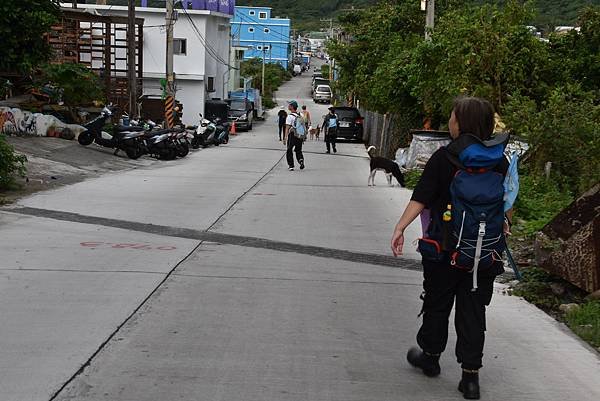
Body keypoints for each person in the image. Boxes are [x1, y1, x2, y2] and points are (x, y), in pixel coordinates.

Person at [390, 97, 512, 400]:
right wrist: (503, 228)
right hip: (482, 253)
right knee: (473, 311)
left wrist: (400, 227)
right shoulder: (500, 160)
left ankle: (430, 358)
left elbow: (421, 197)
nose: (449, 121)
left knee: (437, 303)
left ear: (461, 122)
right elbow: (506, 204)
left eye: (452, 116)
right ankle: (470, 378)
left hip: (443, 250)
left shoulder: (444, 158)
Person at [284, 100, 305, 171]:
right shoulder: (301, 115)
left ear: (292, 107)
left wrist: (285, 137)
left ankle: (291, 165)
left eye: (289, 105)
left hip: (292, 135)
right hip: (299, 134)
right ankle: (300, 160)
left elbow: (287, 127)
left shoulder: (289, 116)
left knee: (289, 150)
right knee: (298, 150)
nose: (288, 106)